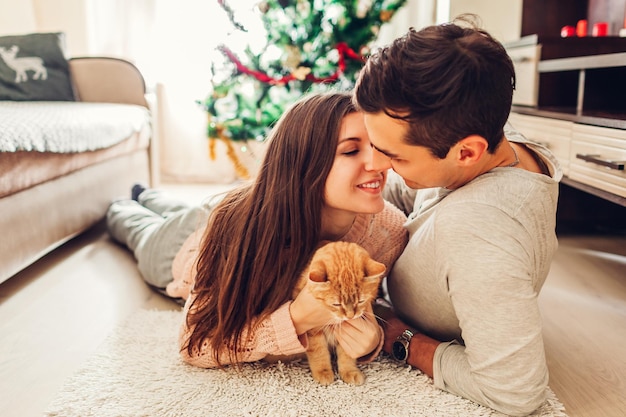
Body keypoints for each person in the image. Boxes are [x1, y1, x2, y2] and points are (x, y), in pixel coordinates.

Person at [353, 16, 563, 417]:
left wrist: (404, 339)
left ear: (467, 152)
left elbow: (517, 393)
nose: (378, 163)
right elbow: (417, 195)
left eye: (394, 156)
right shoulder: (489, 137)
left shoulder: (481, 231)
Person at [106, 91, 408, 369]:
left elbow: (369, 301)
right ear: (304, 164)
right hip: (186, 247)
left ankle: (147, 195)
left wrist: (372, 340)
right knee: (133, 223)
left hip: (223, 212)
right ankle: (126, 201)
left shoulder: (387, 229)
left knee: (167, 204)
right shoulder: (243, 229)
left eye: (377, 147)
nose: (378, 163)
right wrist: (296, 318)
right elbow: (194, 344)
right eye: (351, 151)